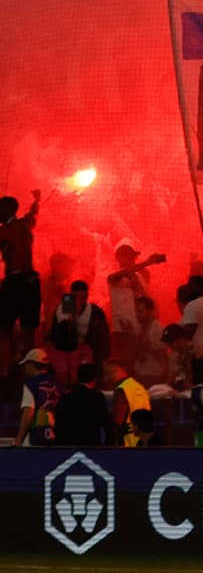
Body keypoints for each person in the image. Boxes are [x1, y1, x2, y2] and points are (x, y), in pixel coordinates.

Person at [0, 191, 43, 357]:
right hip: (30, 281)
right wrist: (37, 201)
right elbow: (32, 213)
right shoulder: (25, 223)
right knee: (28, 330)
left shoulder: (5, 231)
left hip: (15, 282)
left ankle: (4, 371)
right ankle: (29, 371)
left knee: (4, 327)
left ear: (7, 210)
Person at [51, 362, 113, 448]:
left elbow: (58, 423)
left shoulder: (65, 398)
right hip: (91, 445)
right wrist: (109, 444)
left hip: (68, 446)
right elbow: (106, 423)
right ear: (94, 379)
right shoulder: (97, 398)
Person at [106, 357, 152, 448]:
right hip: (144, 439)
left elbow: (118, 421)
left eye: (108, 374)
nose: (107, 378)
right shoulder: (140, 387)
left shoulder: (121, 390)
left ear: (115, 372)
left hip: (127, 442)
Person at [15, 347, 55, 446]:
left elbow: (28, 411)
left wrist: (19, 438)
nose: (25, 368)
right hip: (54, 437)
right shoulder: (58, 385)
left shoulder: (30, 384)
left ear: (31, 364)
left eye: (26, 364)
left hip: (36, 437)